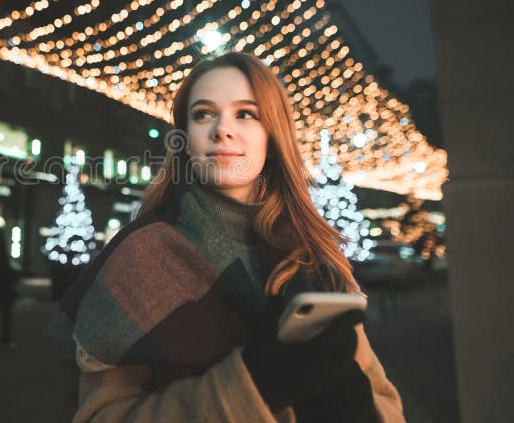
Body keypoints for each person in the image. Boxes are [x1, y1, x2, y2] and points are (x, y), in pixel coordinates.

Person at [47, 51, 405, 421]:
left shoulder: (313, 255)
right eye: (203, 114)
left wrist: (355, 401)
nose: (222, 129)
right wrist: (250, 385)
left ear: (272, 134)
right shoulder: (143, 254)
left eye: (246, 113)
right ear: (184, 138)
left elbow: (383, 397)